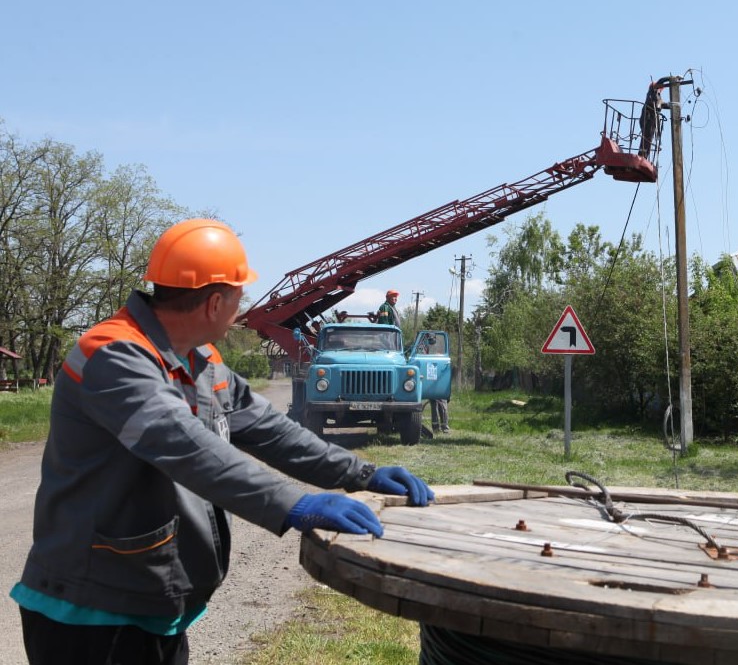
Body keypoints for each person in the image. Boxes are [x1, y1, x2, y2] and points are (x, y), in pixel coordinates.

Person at [9, 219, 434, 665]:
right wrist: (295, 504)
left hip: (150, 601)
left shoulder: (201, 359)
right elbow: (185, 447)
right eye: (239, 295)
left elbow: (269, 428)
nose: (242, 308)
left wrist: (359, 473)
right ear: (215, 302)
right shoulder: (114, 355)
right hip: (90, 612)